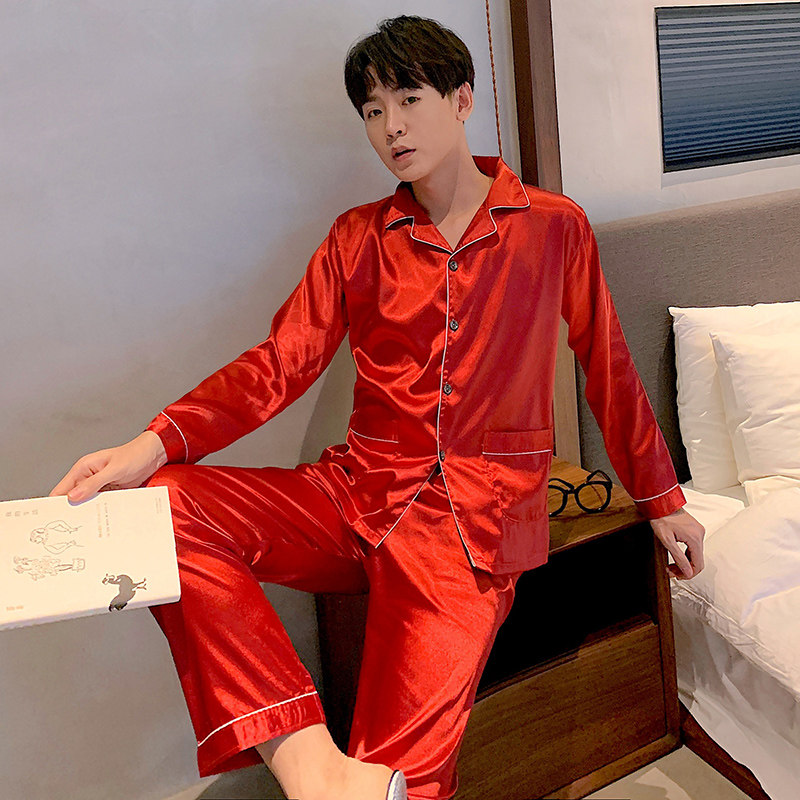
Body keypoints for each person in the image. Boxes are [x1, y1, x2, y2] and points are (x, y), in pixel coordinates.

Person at [49, 14, 705, 800]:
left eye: (409, 99)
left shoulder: (552, 227)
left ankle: (341, 778)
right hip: (357, 492)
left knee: (399, 782)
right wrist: (152, 444)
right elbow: (279, 363)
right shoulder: (357, 238)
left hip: (474, 526)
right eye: (371, 110)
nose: (390, 125)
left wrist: (661, 499)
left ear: (462, 100)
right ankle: (307, 761)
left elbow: (608, 367)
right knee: (157, 509)